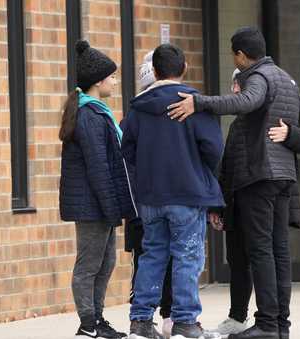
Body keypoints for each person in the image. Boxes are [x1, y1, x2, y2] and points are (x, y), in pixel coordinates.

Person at [168, 27, 300, 339]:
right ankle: (279, 326)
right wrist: (289, 131)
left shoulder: (258, 77)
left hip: (259, 177)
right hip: (283, 179)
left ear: (240, 55)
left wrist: (200, 102)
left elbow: (248, 101)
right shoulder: (285, 78)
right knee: (278, 251)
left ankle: (266, 324)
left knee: (261, 251)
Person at [122, 44, 225, 339]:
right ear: (185, 67)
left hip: (151, 197)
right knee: (187, 256)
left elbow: (126, 148)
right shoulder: (193, 103)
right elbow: (214, 149)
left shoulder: (138, 107)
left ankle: (140, 322)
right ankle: (185, 322)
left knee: (152, 255)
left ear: (154, 71)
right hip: (187, 193)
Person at [211, 70, 300, 339]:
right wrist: (219, 206)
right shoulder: (242, 125)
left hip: (264, 192)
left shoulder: (272, 114)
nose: (236, 92)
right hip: (242, 196)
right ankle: (266, 323)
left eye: (238, 85)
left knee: (266, 252)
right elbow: (228, 167)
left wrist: (290, 132)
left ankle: (271, 324)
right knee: (249, 257)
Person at [59, 40, 135, 339]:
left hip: (98, 203)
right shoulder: (89, 116)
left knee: (106, 262)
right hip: (91, 204)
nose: (115, 81)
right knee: (89, 264)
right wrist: (111, 207)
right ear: (98, 81)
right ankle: (88, 323)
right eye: (112, 77)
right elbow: (98, 167)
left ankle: (97, 320)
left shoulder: (95, 111)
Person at [124, 50, 174, 338]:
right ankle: (158, 316)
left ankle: (147, 318)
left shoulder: (133, 117)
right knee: (160, 261)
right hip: (148, 203)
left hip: (143, 203)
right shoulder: (175, 113)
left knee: (148, 261)